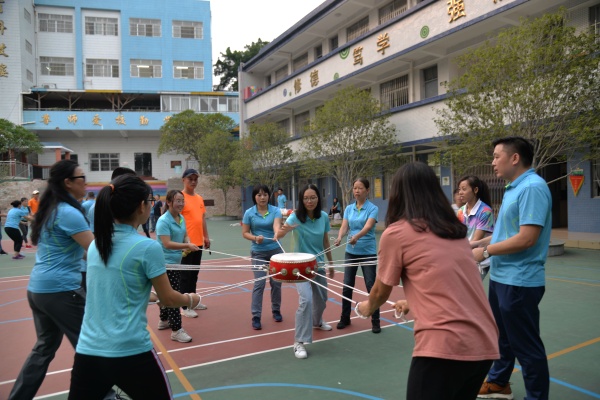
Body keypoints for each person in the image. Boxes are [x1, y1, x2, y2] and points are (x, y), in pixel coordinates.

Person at [356, 162, 499, 400]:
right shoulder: (453, 229)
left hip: (444, 346)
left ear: (398, 193)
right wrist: (412, 302)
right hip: (484, 343)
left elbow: (380, 291)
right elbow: (451, 282)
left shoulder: (396, 233)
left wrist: (366, 307)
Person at [68, 175, 204, 399]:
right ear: (142, 206)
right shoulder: (147, 247)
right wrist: (191, 299)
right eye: (150, 201)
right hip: (130, 350)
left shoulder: (96, 245)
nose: (151, 205)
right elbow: (169, 299)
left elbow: (116, 288)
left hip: (89, 350)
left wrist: (150, 296)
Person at [473, 136, 552, 400]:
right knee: (502, 337)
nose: (493, 162)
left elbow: (527, 238)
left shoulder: (532, 188)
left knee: (527, 347)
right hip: (501, 277)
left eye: (497, 156)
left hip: (519, 281)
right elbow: (504, 234)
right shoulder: (513, 188)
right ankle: (499, 383)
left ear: (515, 158)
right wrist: (477, 244)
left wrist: (485, 252)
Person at [8, 160, 93, 400]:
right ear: (68, 182)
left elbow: (80, 251)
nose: (85, 182)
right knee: (91, 346)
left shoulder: (53, 209)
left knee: (44, 348)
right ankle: (104, 394)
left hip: (38, 290)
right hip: (61, 291)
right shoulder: (69, 212)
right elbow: (95, 251)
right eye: (81, 178)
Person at [275, 184, 334, 359]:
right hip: (299, 267)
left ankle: (317, 321)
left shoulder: (323, 217)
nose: (309, 201)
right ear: (301, 200)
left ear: (318, 198)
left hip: (318, 265)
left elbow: (325, 241)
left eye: (313, 197)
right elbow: (279, 235)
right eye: (306, 198)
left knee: (322, 299)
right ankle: (299, 342)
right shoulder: (295, 217)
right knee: (306, 300)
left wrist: (331, 263)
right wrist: (284, 228)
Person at [334, 178, 380, 333]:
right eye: (355, 188)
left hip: (368, 252)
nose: (357, 191)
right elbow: (344, 226)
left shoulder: (373, 208)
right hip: (351, 252)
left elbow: (368, 227)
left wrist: (357, 237)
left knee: (371, 286)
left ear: (367, 190)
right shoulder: (349, 208)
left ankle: (375, 321)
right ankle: (345, 318)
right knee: (347, 286)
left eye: (360, 188)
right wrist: (340, 237)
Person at [156, 189, 200, 342]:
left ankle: (164, 320)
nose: (181, 204)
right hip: (165, 264)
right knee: (173, 295)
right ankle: (176, 329)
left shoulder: (181, 218)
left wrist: (188, 242)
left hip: (176, 262)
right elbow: (167, 244)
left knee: (166, 293)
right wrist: (186, 246)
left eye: (182, 201)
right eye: (178, 201)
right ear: (169, 202)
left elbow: (185, 234)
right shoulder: (163, 221)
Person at [242, 184, 283, 330]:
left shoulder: (275, 210)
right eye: (259, 195)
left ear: (269, 196)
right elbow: (245, 233)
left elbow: (276, 225)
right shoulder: (249, 213)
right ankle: (256, 316)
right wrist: (255, 238)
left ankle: (276, 310)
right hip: (258, 252)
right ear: (254, 197)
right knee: (259, 283)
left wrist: (277, 233)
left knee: (276, 282)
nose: (262, 197)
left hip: (275, 251)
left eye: (265, 194)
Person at [179, 168, 209, 317]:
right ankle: (184, 306)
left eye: (195, 179)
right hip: (186, 244)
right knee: (185, 275)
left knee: (194, 274)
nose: (193, 181)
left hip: (198, 243)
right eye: (190, 179)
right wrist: (183, 241)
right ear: (183, 180)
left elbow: (202, 219)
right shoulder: (180, 198)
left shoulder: (199, 198)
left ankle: (193, 301)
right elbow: (176, 220)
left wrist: (206, 237)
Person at [456, 176, 495, 280]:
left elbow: (476, 240)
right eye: (459, 189)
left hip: (481, 261)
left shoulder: (485, 211)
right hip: (465, 256)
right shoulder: (460, 211)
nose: (460, 192)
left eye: (464, 189)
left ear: (475, 190)